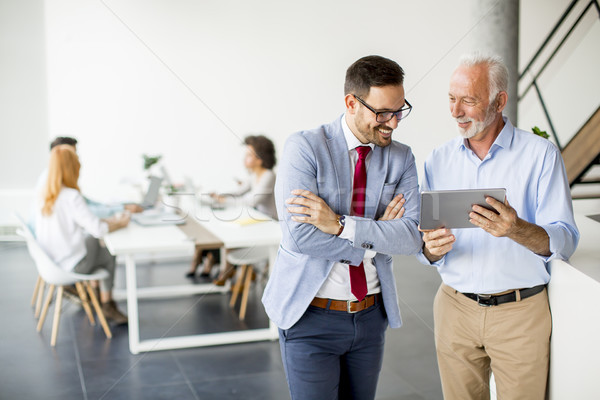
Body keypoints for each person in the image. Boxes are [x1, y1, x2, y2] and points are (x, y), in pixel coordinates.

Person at [417, 52, 579, 400]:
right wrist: (430, 249)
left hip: (520, 316)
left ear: (499, 101)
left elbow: (565, 239)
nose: (456, 111)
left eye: (469, 101)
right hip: (453, 308)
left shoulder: (541, 155)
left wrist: (517, 229)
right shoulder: (437, 159)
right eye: (451, 99)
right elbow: (425, 244)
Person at [262, 55, 422, 400]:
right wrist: (378, 234)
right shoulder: (305, 148)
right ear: (351, 102)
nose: (392, 123)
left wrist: (338, 225)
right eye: (382, 113)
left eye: (399, 110)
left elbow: (410, 238)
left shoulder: (401, 157)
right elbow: (300, 236)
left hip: (369, 319)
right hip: (309, 317)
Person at [34, 145, 130, 324]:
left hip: (52, 264)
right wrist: (120, 223)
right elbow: (98, 230)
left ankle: (95, 295)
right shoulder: (71, 197)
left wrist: (109, 223)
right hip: (72, 267)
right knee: (108, 251)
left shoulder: (44, 196)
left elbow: (88, 223)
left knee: (91, 241)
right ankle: (107, 302)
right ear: (73, 168)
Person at [186, 135, 277, 285]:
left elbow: (252, 201)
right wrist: (220, 196)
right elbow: (239, 191)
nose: (244, 158)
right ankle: (224, 269)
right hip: (256, 219)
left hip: (268, 222)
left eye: (249, 155)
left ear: (260, 159)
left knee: (231, 234)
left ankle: (225, 270)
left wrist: (224, 201)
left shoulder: (268, 175)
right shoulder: (254, 175)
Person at [36, 137, 143, 219]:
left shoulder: (55, 179)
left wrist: (120, 206)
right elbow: (88, 212)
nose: (77, 159)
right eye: (72, 154)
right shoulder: (55, 186)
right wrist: (121, 210)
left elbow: (86, 203)